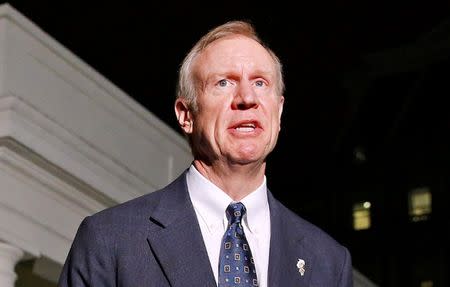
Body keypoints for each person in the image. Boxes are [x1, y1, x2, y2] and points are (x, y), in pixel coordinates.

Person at [58, 20, 353, 287]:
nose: (247, 98)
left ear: (279, 110)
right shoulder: (110, 240)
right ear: (186, 115)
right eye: (224, 82)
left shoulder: (328, 262)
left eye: (260, 83)